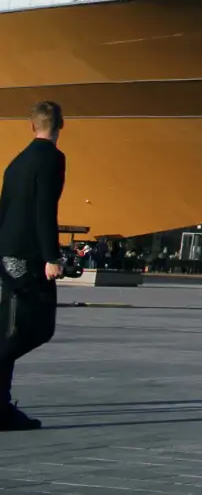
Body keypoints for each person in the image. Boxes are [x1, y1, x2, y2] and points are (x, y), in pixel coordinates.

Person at [0, 101, 66, 430]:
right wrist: (51, 257)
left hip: (7, 255)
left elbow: (5, 208)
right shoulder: (52, 158)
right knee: (37, 327)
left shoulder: (16, 162)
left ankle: (0, 406)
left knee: (11, 329)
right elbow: (45, 210)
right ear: (61, 126)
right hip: (29, 257)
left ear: (31, 126)